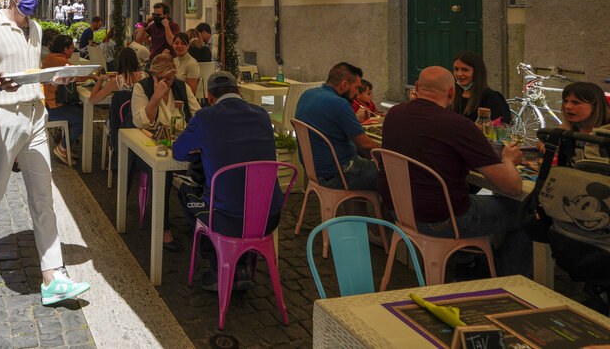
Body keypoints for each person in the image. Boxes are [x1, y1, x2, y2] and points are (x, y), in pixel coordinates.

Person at [0, 0, 90, 305]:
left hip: (35, 118)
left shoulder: (36, 28)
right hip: (3, 116)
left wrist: (57, 79)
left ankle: (52, 277)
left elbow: (33, 74)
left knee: (43, 196)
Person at [379, 66, 531, 277]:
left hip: (400, 212)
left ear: (417, 87)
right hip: (441, 220)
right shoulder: (458, 125)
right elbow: (512, 186)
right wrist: (508, 160)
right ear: (452, 92)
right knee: (525, 211)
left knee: (466, 195)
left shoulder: (394, 115)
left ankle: (467, 258)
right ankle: (511, 280)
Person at [173, 70, 284, 291]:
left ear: (210, 98)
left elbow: (178, 152)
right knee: (233, 197)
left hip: (225, 219)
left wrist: (203, 150)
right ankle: (241, 265)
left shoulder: (205, 117)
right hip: (268, 216)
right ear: (239, 92)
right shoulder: (262, 115)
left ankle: (218, 266)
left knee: (187, 195)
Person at [131, 53, 200, 250]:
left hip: (178, 142)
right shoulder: (141, 88)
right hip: (148, 145)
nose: (167, 83)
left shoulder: (181, 87)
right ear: (153, 76)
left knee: (204, 166)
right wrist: (155, 97)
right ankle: (163, 228)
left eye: (170, 79)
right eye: (162, 79)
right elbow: (139, 122)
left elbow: (197, 114)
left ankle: (200, 219)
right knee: (163, 175)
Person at [293, 62, 379, 190]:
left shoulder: (308, 94)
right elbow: (365, 145)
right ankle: (389, 210)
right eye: (356, 88)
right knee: (396, 174)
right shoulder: (340, 104)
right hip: (339, 173)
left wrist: (354, 120)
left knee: (365, 159)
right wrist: (389, 156)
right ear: (344, 85)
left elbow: (329, 123)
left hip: (314, 171)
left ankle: (360, 209)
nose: (357, 93)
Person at [41, 35, 86, 165]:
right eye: (72, 48)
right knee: (84, 119)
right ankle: (62, 148)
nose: (73, 51)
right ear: (65, 49)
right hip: (52, 107)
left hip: (47, 104)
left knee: (80, 109)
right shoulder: (59, 60)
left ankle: (64, 143)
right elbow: (78, 74)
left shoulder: (49, 57)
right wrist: (95, 76)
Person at [548, 81, 610, 164]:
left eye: (575, 102)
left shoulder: (606, 132)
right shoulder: (569, 128)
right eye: (566, 101)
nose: (567, 106)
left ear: (595, 106)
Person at [452, 51, 511, 125]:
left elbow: (502, 123)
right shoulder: (452, 93)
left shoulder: (491, 96)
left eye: (465, 70)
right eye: (456, 69)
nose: (459, 74)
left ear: (477, 72)